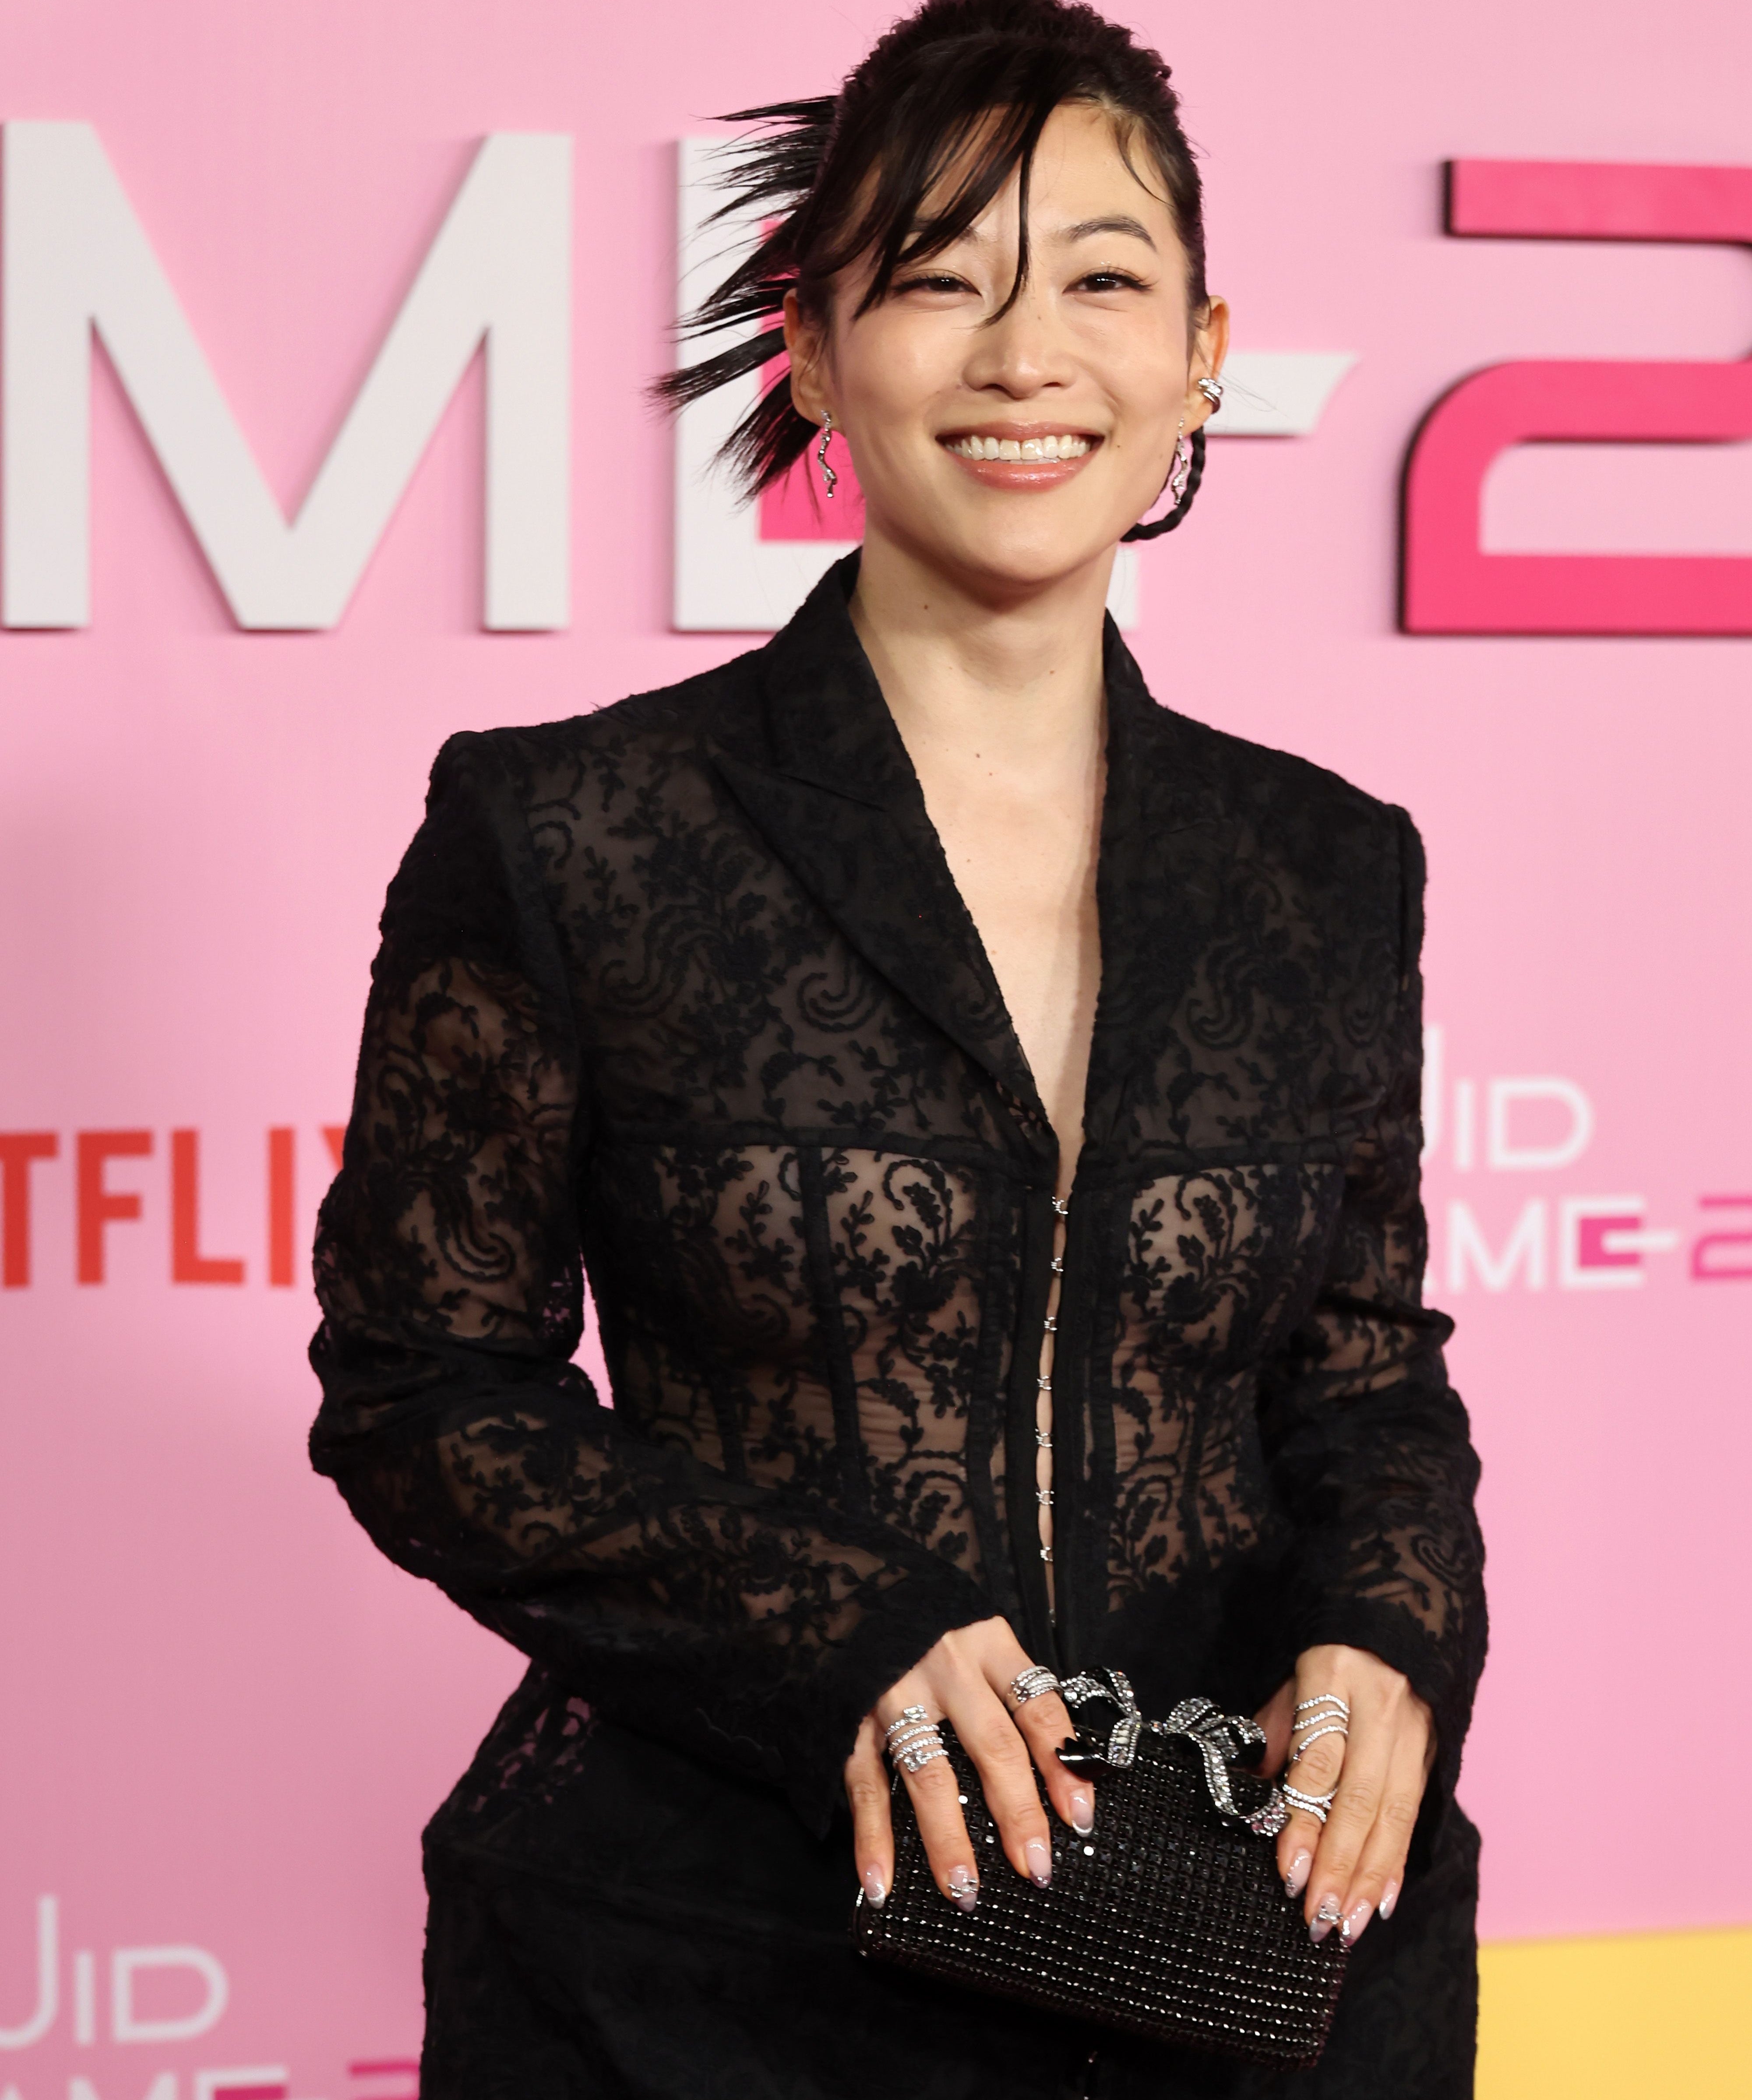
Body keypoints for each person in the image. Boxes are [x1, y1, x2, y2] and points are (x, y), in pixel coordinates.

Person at [308, 3, 1487, 2093]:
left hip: (1251, 1954)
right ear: (811, 345)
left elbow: (1362, 1374)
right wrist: (840, 1629)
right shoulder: (574, 827)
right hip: (701, 1962)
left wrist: (1385, 1645)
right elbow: (424, 1392)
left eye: (1103, 279)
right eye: (939, 277)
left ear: (1204, 347)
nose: (1026, 353)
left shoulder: (1329, 862)